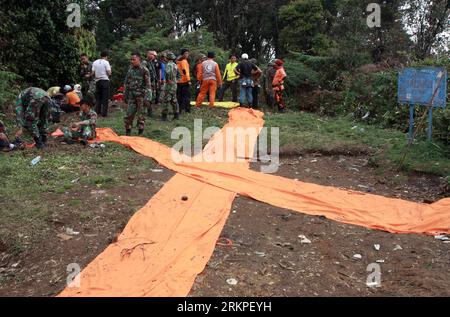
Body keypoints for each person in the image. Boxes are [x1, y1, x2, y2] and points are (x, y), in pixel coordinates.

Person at [123, 53, 152, 136]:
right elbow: (126, 83)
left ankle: (140, 132)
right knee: (129, 114)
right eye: (131, 59)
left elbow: (148, 85)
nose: (132, 61)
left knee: (141, 115)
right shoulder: (130, 70)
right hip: (132, 96)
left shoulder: (144, 70)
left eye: (134, 59)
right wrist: (125, 94)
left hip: (141, 96)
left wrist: (148, 98)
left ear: (139, 60)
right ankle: (128, 131)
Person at [161, 52, 181, 121]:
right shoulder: (175, 65)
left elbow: (167, 72)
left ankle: (164, 116)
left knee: (166, 100)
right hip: (174, 84)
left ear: (167, 58)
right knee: (174, 100)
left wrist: (167, 79)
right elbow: (179, 75)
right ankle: (176, 115)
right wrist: (176, 81)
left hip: (169, 85)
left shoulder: (168, 65)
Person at [92, 51, 112, 117]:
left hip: (97, 81)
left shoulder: (94, 62)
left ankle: (97, 112)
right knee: (105, 98)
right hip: (105, 81)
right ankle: (104, 113)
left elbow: (93, 73)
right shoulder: (106, 62)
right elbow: (109, 73)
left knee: (98, 97)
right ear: (106, 56)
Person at [141, 50, 159, 117]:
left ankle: (148, 111)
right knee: (147, 98)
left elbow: (153, 74)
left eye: (154, 55)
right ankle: (146, 112)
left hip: (152, 83)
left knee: (151, 98)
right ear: (148, 54)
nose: (153, 56)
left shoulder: (151, 63)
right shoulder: (144, 62)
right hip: (147, 84)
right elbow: (142, 73)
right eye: (151, 54)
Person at [176, 48, 191, 113]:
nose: (187, 55)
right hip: (184, 81)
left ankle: (179, 109)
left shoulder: (177, 61)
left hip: (178, 81)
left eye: (188, 53)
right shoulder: (184, 61)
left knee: (179, 96)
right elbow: (185, 71)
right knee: (186, 96)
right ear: (183, 54)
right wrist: (188, 80)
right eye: (186, 53)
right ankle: (187, 109)